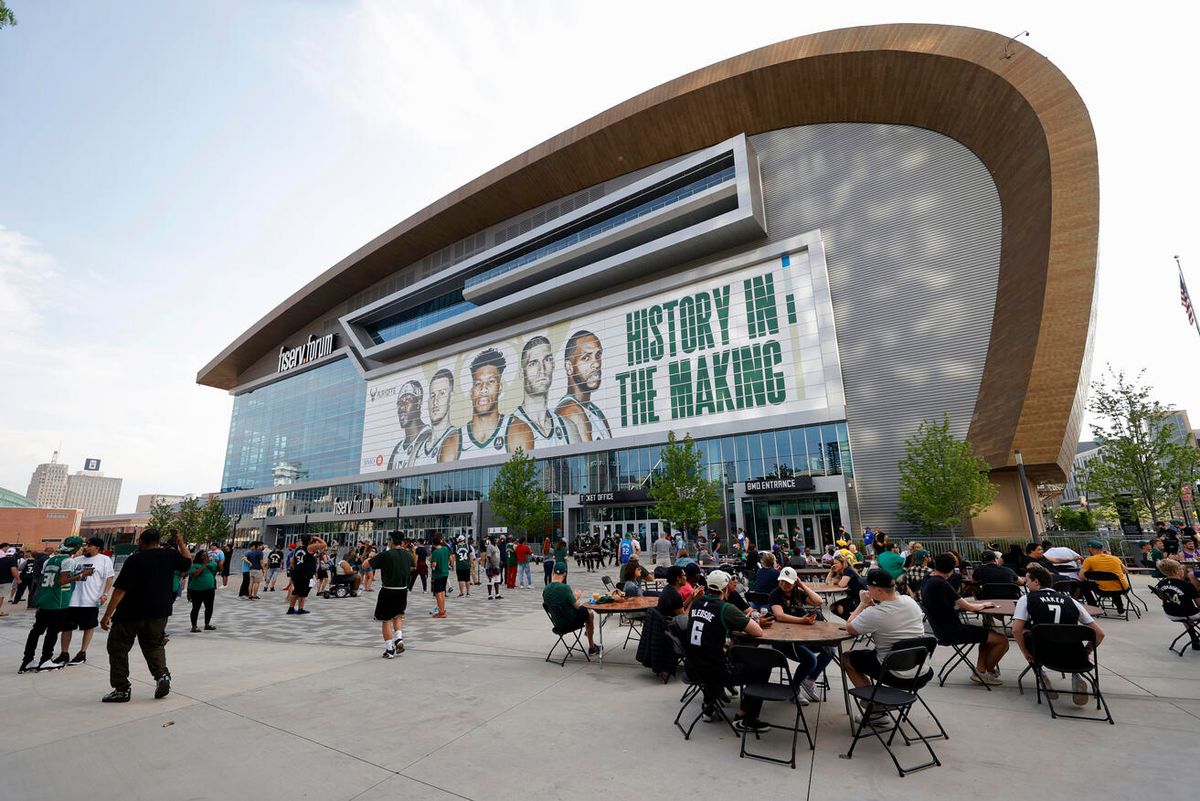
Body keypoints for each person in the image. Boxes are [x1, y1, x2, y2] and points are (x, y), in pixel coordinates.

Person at [98, 529, 193, 702]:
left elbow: (120, 590)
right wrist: (180, 541)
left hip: (130, 612)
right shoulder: (170, 555)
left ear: (141, 541)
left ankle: (122, 689)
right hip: (159, 612)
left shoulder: (135, 559)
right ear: (158, 541)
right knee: (154, 645)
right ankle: (162, 676)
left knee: (118, 648)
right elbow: (188, 562)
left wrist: (107, 615)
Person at [683, 570, 771, 734]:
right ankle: (746, 717)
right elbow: (757, 632)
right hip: (713, 672)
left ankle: (709, 707)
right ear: (726, 589)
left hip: (691, 668)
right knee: (762, 666)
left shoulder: (696, 603)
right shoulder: (725, 608)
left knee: (712, 652)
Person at [843, 568, 927, 726]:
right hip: (920, 670)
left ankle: (874, 709)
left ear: (878, 590)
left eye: (868, 587)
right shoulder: (910, 601)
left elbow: (850, 627)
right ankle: (876, 705)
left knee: (847, 658)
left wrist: (862, 603)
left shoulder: (876, 613)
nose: (867, 590)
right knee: (870, 654)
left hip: (895, 673)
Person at [1012, 564, 1105, 705]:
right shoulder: (1072, 601)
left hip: (1044, 654)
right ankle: (1076, 675)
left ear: (1036, 582)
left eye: (1028, 581)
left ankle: (1040, 674)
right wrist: (1086, 650)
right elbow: (1100, 633)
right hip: (1075, 656)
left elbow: (1016, 630)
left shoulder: (1027, 599)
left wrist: (1025, 651)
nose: (1026, 583)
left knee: (1026, 631)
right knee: (1069, 635)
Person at [921, 553, 1008, 684]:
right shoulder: (941, 584)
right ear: (952, 568)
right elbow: (969, 607)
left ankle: (981, 670)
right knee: (1002, 640)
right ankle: (987, 672)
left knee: (990, 636)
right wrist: (985, 604)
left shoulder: (928, 579)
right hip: (953, 631)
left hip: (942, 630)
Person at [20, 537, 91, 673]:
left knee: (37, 630)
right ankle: (46, 659)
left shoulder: (49, 560)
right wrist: (82, 575)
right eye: (79, 546)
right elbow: (63, 580)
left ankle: (27, 660)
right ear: (75, 548)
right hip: (58, 601)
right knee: (52, 631)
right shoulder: (68, 561)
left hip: (45, 599)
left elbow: (43, 579)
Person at [768, 566, 831, 702]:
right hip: (783, 640)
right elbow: (779, 615)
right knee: (810, 660)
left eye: (787, 582)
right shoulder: (775, 594)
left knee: (830, 649)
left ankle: (809, 680)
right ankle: (794, 690)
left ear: (794, 582)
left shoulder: (798, 592)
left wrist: (802, 585)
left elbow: (818, 601)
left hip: (801, 637)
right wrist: (802, 621)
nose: (783, 584)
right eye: (781, 581)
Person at [51, 536, 116, 665]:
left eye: (89, 545)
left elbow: (109, 578)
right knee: (66, 627)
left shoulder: (104, 560)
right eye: (85, 545)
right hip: (72, 599)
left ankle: (82, 653)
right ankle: (64, 653)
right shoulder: (76, 559)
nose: (86, 547)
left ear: (97, 548)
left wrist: (105, 594)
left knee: (88, 626)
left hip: (90, 600)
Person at [506, 336, 573, 451]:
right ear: (522, 374)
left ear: (553, 365)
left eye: (547, 360)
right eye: (533, 363)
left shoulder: (567, 426)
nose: (541, 369)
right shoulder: (510, 428)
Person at [446, 349, 507, 460]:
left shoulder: (515, 429)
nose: (483, 389)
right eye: (478, 383)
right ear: (471, 392)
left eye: (491, 381)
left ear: (500, 388)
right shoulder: (453, 441)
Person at [555, 330, 611, 441]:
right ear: (569, 367)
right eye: (586, 358)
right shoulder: (571, 411)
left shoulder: (595, 411)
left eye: (598, 355)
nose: (596, 364)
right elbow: (587, 458)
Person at [371, 531, 414, 658]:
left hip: (388, 590)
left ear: (391, 541)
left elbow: (366, 565)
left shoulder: (386, 554)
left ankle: (389, 650)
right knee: (398, 615)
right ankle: (399, 639)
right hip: (402, 590)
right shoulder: (408, 555)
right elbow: (413, 566)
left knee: (386, 620)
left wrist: (371, 556)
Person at [542, 565, 601, 654]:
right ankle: (591, 646)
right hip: (569, 622)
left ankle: (588, 632)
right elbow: (576, 606)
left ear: (553, 573)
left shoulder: (546, 589)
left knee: (586, 612)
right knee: (590, 613)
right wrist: (577, 596)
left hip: (557, 623)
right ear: (565, 574)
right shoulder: (565, 588)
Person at [411, 369, 457, 466]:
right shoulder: (419, 445)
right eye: (432, 396)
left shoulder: (455, 438)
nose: (435, 401)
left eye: (442, 393)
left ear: (451, 397)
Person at [1155, 559, 1200, 649]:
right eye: (1180, 568)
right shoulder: (1187, 585)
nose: (1182, 570)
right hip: (1189, 614)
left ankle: (1194, 640)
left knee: (1184, 612)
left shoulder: (1160, 584)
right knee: (1187, 613)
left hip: (1171, 614)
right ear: (1176, 571)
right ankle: (1195, 641)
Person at [1079, 540, 1131, 613]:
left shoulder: (1089, 560)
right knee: (1113, 582)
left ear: (1091, 549)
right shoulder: (1115, 558)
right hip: (1123, 588)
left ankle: (1093, 606)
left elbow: (1081, 577)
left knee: (1083, 584)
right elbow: (1126, 571)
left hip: (1104, 590)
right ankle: (1120, 607)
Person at [387, 381, 427, 469]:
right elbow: (386, 481)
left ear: (418, 403)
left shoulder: (429, 436)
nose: (402, 407)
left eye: (407, 400)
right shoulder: (397, 449)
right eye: (400, 403)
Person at [286, 534, 326, 615]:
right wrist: (317, 538)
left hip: (296, 572)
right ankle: (300, 609)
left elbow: (292, 562)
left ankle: (291, 609)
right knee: (302, 592)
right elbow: (324, 545)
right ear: (310, 540)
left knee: (296, 591)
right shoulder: (310, 547)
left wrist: (294, 570)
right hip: (305, 573)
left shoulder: (297, 549)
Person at [186, 549, 219, 632]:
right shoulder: (194, 565)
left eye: (206, 555)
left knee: (209, 607)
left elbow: (220, 569)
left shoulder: (212, 564)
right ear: (199, 557)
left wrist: (220, 562)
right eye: (203, 555)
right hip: (196, 590)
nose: (205, 557)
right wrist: (204, 565)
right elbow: (194, 574)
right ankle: (194, 626)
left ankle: (207, 624)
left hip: (210, 590)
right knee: (196, 608)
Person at [826, 554, 866, 620]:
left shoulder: (848, 570)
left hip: (860, 597)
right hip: (852, 596)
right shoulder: (840, 572)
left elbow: (842, 584)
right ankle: (853, 624)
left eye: (836, 563)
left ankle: (854, 624)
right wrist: (831, 572)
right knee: (833, 607)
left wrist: (837, 581)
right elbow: (828, 582)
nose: (834, 565)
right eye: (833, 563)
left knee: (840, 607)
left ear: (843, 563)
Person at [429, 534, 451, 617]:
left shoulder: (435, 552)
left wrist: (431, 565)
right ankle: (443, 609)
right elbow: (450, 558)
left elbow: (434, 564)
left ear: (433, 544)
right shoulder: (445, 549)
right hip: (445, 573)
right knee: (442, 592)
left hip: (438, 574)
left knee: (438, 593)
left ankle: (441, 612)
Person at [0, 545, 18, 616]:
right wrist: (18, 579)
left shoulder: (1, 559)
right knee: (1, 596)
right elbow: (14, 570)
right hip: (5, 581)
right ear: (14, 554)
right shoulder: (13, 560)